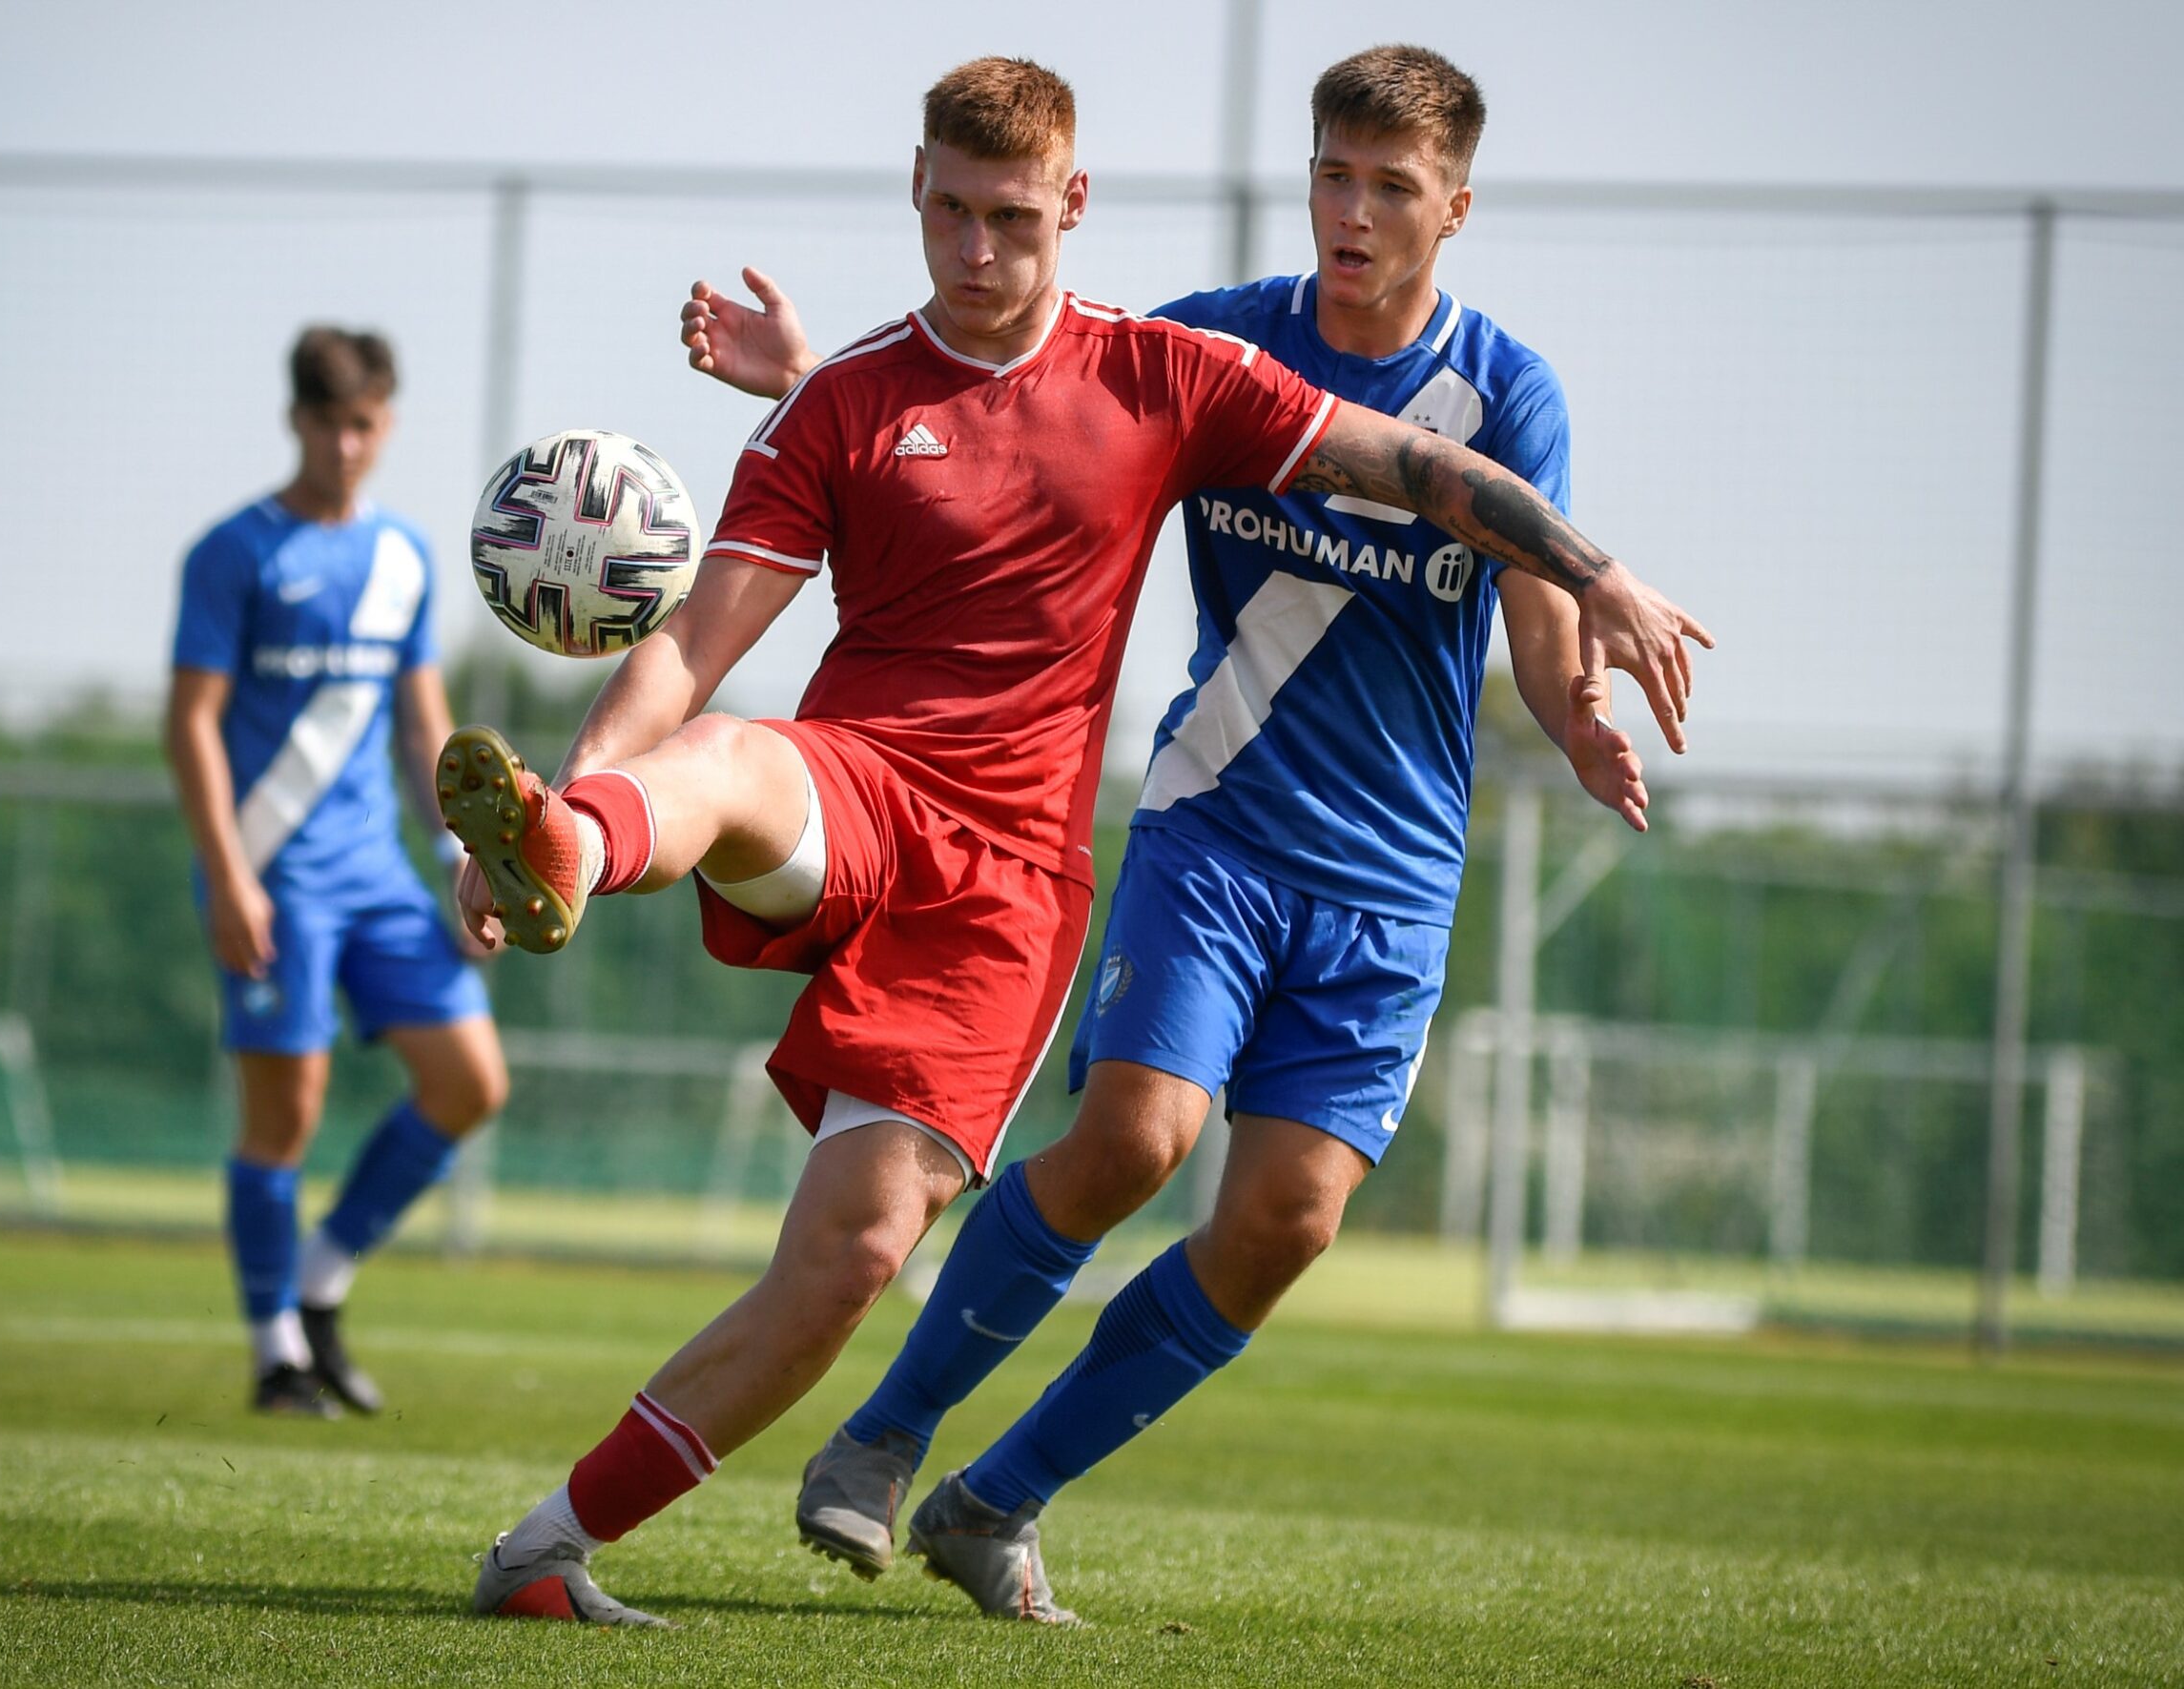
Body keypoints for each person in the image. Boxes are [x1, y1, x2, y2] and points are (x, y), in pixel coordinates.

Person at [455, 56, 1705, 1627]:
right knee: (770, 795)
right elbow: (834, 531)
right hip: (1041, 804)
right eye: (1335, 173)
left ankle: (734, 1528)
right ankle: (569, 852)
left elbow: (1435, 498)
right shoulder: (1061, 364)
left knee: (1023, 1243)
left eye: (1390, 185)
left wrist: (1590, 619)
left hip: (1191, 884)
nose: (1354, 210)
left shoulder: (1320, 383)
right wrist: (806, 393)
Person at [166, 326, 508, 1418]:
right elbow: (191, 722)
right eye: (329, 425)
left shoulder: (402, 556)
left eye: (366, 425)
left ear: (386, 422)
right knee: (287, 1115)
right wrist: (226, 874)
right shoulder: (235, 553)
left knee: (470, 1082)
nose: (348, 446)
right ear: (298, 421)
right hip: (273, 879)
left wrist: (460, 853)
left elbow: (424, 728)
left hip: (380, 881)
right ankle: (275, 1351)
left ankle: (320, 1281)